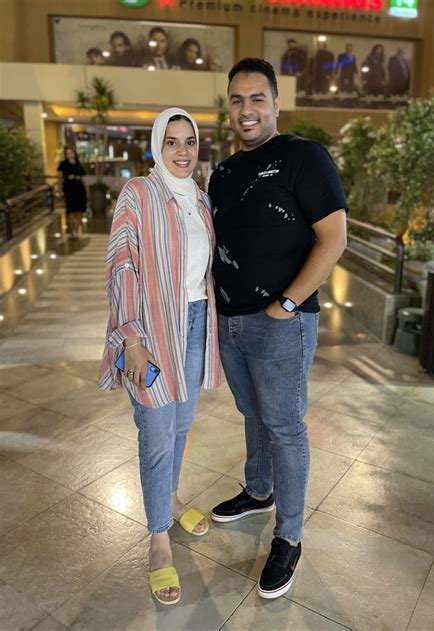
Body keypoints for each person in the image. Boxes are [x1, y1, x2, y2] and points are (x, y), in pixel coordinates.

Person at [208, 58, 347, 599]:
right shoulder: (221, 172)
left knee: (285, 426)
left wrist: (286, 305)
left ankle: (289, 536)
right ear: (229, 107)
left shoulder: (302, 157)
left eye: (257, 99)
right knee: (252, 413)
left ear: (275, 103)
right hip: (231, 321)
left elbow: (333, 239)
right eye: (238, 100)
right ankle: (259, 490)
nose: (247, 110)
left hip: (281, 323)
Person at [98, 108, 221, 605]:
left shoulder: (202, 199)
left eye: (189, 141)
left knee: (181, 423)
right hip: (151, 329)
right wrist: (131, 337)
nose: (182, 150)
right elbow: (121, 263)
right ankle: (157, 539)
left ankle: (169, 499)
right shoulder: (140, 194)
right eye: (172, 141)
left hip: (194, 322)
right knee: (155, 430)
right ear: (156, 145)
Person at [57, 147, 88, 239]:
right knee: (70, 210)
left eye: (71, 152)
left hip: (79, 188)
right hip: (69, 188)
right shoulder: (63, 164)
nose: (70, 154)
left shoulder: (78, 164)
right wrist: (59, 189)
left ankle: (77, 229)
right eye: (68, 153)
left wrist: (86, 190)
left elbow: (83, 178)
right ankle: (72, 231)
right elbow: (60, 178)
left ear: (74, 153)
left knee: (79, 210)